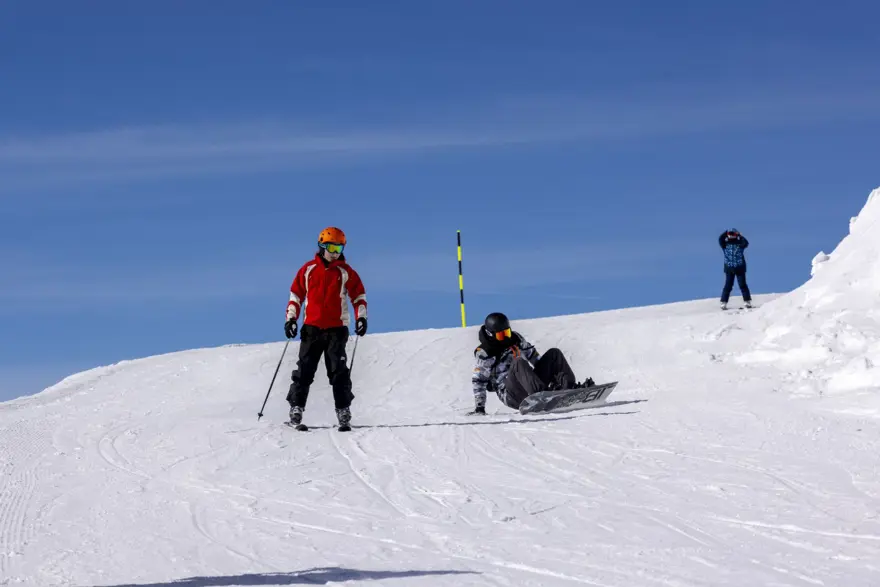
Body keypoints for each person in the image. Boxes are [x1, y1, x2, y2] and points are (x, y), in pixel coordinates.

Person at [284, 226, 368, 428]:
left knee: (338, 371)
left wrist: (361, 318)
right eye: (331, 248)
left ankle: (343, 410)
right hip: (312, 328)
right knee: (304, 370)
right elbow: (296, 295)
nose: (334, 253)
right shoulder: (308, 270)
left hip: (336, 330)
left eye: (339, 249)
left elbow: (358, 296)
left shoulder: (346, 272)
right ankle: (296, 408)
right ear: (322, 246)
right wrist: (291, 319)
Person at [468, 312, 594, 415]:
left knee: (554, 354)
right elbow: (479, 380)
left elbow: (534, 357)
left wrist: (551, 375)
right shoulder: (485, 352)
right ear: (491, 335)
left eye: (507, 333)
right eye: (501, 335)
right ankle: (540, 395)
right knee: (518, 362)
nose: (506, 338)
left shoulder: (516, 338)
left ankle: (568, 388)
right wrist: (480, 407)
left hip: (529, 384)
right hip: (510, 393)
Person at [718, 228, 753, 310]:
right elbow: (720, 239)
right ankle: (723, 302)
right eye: (730, 234)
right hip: (729, 269)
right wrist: (725, 232)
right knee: (728, 285)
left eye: (733, 234)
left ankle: (747, 301)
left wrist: (740, 236)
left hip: (740, 268)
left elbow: (746, 243)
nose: (731, 235)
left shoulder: (740, 244)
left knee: (742, 285)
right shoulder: (725, 245)